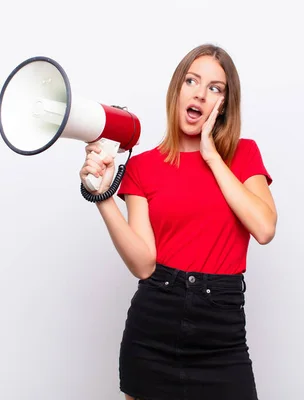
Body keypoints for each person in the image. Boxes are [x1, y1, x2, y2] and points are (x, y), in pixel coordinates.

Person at [79, 43, 277, 400]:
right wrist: (103, 196)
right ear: (177, 89)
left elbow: (264, 228)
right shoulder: (142, 168)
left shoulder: (243, 154)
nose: (200, 94)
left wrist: (212, 157)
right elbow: (143, 264)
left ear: (223, 105)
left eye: (215, 88)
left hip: (221, 334)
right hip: (154, 328)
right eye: (192, 81)